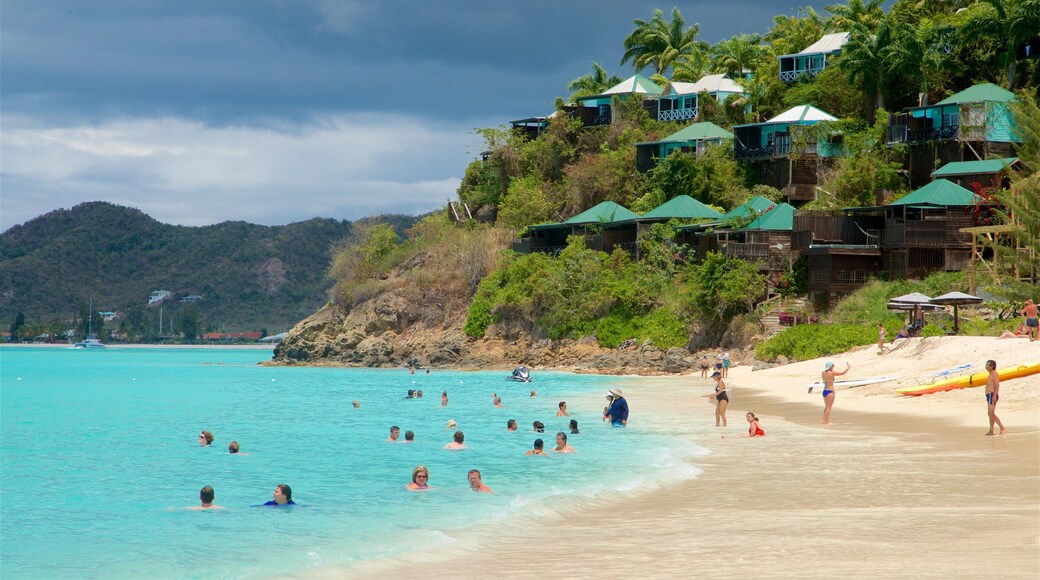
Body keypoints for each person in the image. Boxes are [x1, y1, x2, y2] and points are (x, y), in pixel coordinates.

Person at [821, 361, 850, 425]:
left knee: (826, 407)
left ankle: (824, 420)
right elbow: (842, 373)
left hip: (824, 391)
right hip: (830, 391)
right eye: (833, 365)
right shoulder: (831, 373)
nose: (833, 366)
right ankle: (826, 422)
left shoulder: (823, 373)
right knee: (829, 407)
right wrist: (848, 367)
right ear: (830, 366)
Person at [984, 359, 1006, 436]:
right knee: (990, 414)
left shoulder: (994, 374)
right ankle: (991, 431)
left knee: (991, 413)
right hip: (989, 395)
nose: (985, 366)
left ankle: (1002, 428)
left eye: (987, 365)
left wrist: (994, 396)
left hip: (992, 395)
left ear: (992, 366)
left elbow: (997, 385)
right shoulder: (990, 373)